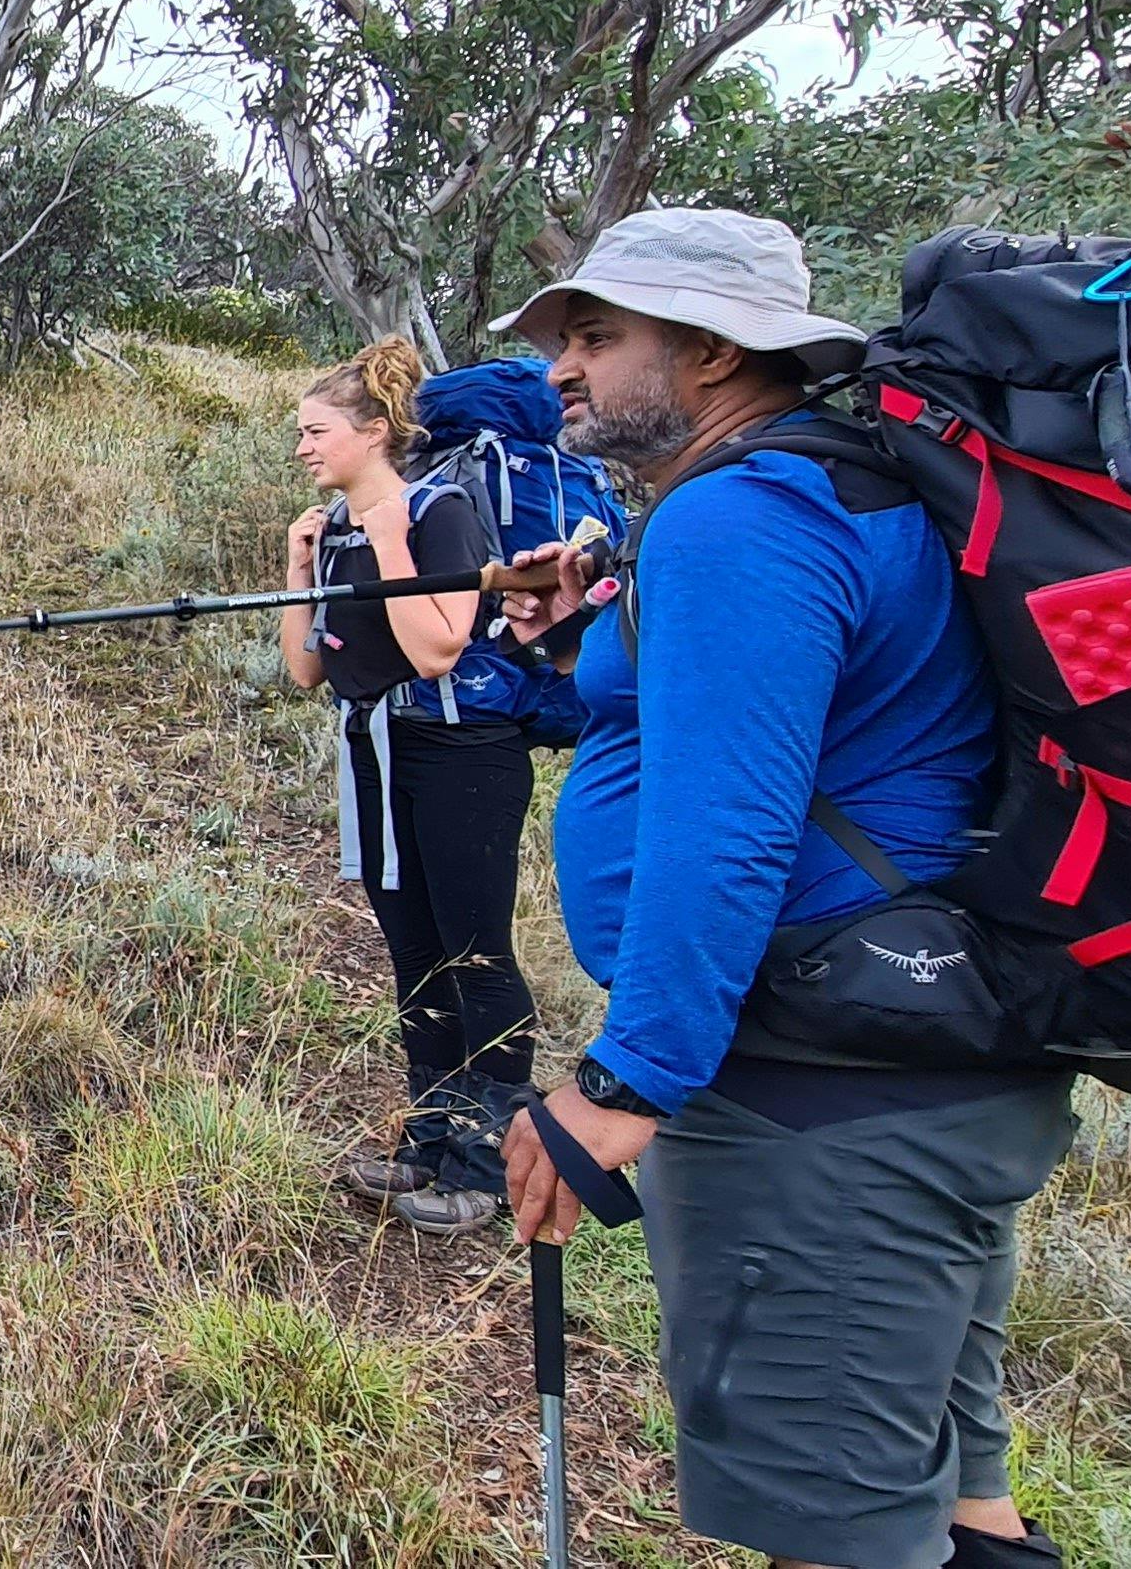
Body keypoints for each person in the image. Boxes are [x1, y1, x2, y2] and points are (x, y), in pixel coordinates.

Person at [489, 207, 1073, 1569]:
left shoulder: (742, 519)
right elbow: (790, 727)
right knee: (956, 1496)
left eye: (597, 335)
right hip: (917, 1070)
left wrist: (624, 1081)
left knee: (841, 1536)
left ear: (710, 351)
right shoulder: (833, 486)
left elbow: (729, 830)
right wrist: (584, 638)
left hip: (820, 1107)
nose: (561, 365)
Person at [279, 337, 537, 1237]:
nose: (304, 447)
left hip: (461, 755)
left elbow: (437, 648)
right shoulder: (336, 527)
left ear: (374, 432)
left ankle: (486, 1166)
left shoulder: (439, 512)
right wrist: (300, 571)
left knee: (476, 954)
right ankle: (429, 1142)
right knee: (415, 953)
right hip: (376, 750)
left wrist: (390, 544)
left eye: (317, 431)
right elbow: (308, 670)